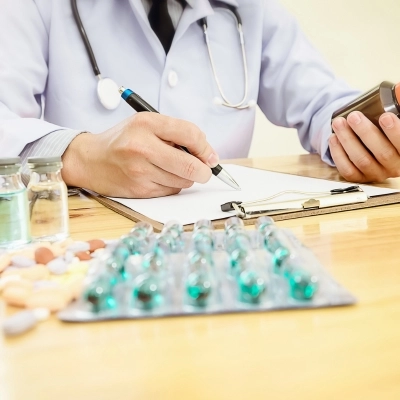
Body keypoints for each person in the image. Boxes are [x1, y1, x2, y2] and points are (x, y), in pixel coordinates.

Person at [1, 0, 399, 199]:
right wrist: (81, 156)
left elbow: (320, 100)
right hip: (87, 243)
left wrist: (369, 131)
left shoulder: (250, 7)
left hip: (225, 235)